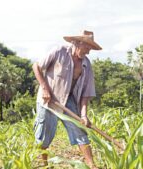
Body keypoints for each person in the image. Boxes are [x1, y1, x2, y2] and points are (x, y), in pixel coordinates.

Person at [32, 30, 102, 169]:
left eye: (90, 48)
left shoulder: (86, 65)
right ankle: (44, 165)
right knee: (44, 136)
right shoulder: (59, 52)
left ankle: (91, 165)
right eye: (87, 47)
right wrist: (45, 88)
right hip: (48, 100)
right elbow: (36, 66)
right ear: (77, 43)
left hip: (69, 100)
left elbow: (85, 94)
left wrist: (83, 115)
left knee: (80, 130)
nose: (88, 51)